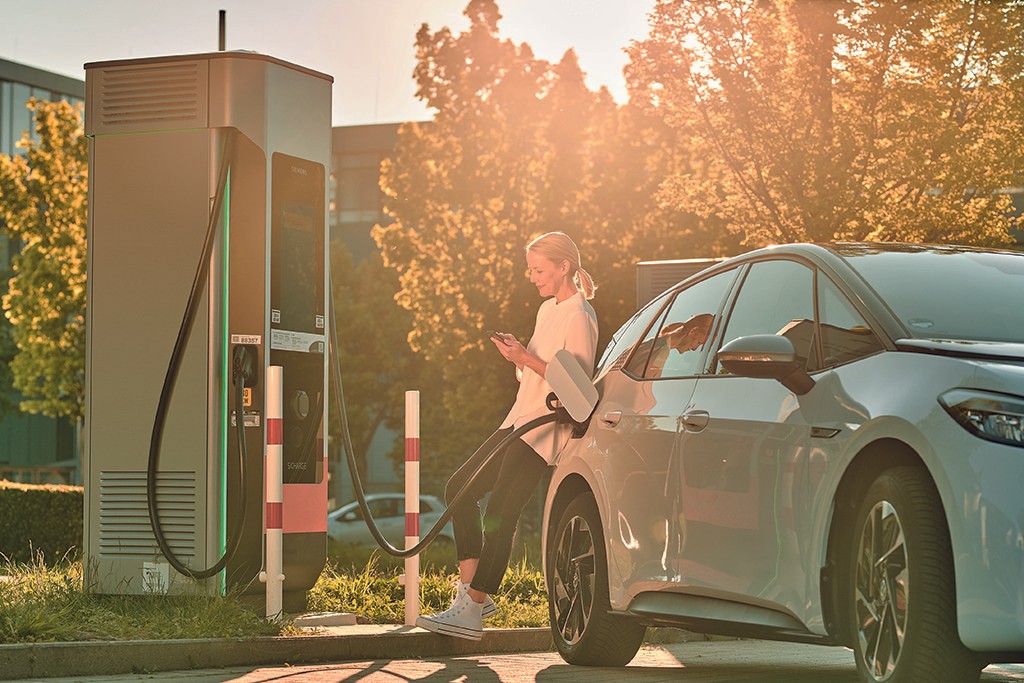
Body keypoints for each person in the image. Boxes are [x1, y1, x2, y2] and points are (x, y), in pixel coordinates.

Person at [415, 231, 599, 641]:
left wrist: (526, 357)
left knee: (501, 512)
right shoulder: (547, 309)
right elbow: (532, 371)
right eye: (530, 270)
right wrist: (517, 356)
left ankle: (472, 610)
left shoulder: (580, 315)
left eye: (539, 270)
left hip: (543, 429)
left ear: (563, 266)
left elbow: (578, 386)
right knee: (459, 489)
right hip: (517, 418)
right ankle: (471, 594)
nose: (532, 277)